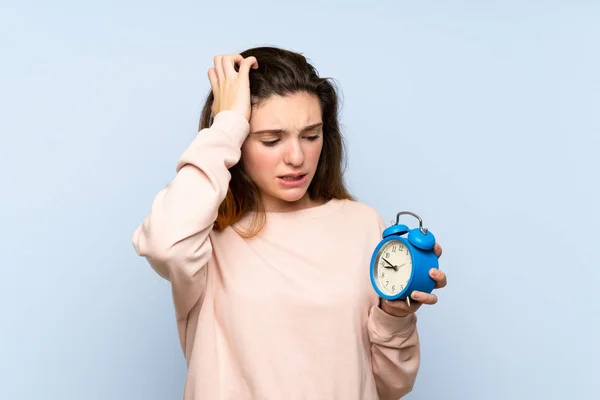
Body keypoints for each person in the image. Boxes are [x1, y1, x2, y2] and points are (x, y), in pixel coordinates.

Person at [132, 46, 447, 400]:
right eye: (271, 140)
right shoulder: (206, 239)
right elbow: (163, 244)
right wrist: (228, 123)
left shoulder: (362, 225)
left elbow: (390, 387)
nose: (296, 157)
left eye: (311, 135)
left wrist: (394, 315)